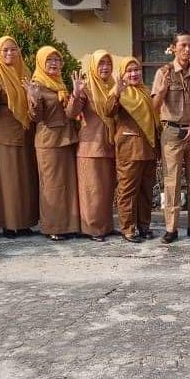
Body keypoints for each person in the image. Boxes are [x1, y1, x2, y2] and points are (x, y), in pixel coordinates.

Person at [151, 31, 190, 243]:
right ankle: (171, 228)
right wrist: (163, 91)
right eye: (183, 45)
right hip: (172, 132)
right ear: (173, 47)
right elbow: (154, 107)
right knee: (172, 182)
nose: (187, 49)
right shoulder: (164, 72)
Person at [0, 36, 38, 237]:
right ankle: (8, 223)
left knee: (24, 178)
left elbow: (32, 101)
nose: (9, 53)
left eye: (13, 49)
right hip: (3, 135)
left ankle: (23, 222)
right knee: (7, 180)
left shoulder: (25, 71)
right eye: (5, 50)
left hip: (25, 132)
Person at [26, 46, 81, 241]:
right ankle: (53, 226)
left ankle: (69, 225)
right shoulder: (37, 85)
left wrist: (76, 94)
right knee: (52, 186)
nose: (54, 63)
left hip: (66, 139)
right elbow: (36, 117)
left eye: (57, 60)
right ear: (41, 62)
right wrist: (33, 99)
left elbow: (71, 114)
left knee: (67, 185)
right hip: (48, 142)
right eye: (49, 60)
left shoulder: (60, 84)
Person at [108, 56, 161, 242]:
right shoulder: (119, 91)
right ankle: (128, 229)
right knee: (128, 191)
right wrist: (116, 93)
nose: (133, 74)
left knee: (146, 191)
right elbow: (108, 111)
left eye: (136, 70)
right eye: (129, 71)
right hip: (129, 150)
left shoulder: (145, 91)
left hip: (149, 148)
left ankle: (144, 226)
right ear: (122, 74)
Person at [74, 50, 119, 241]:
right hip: (90, 146)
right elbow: (71, 113)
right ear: (93, 66)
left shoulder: (114, 86)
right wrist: (75, 94)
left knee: (107, 189)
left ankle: (106, 226)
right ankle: (92, 228)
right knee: (92, 190)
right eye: (101, 63)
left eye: (108, 63)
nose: (105, 67)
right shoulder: (86, 88)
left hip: (110, 144)